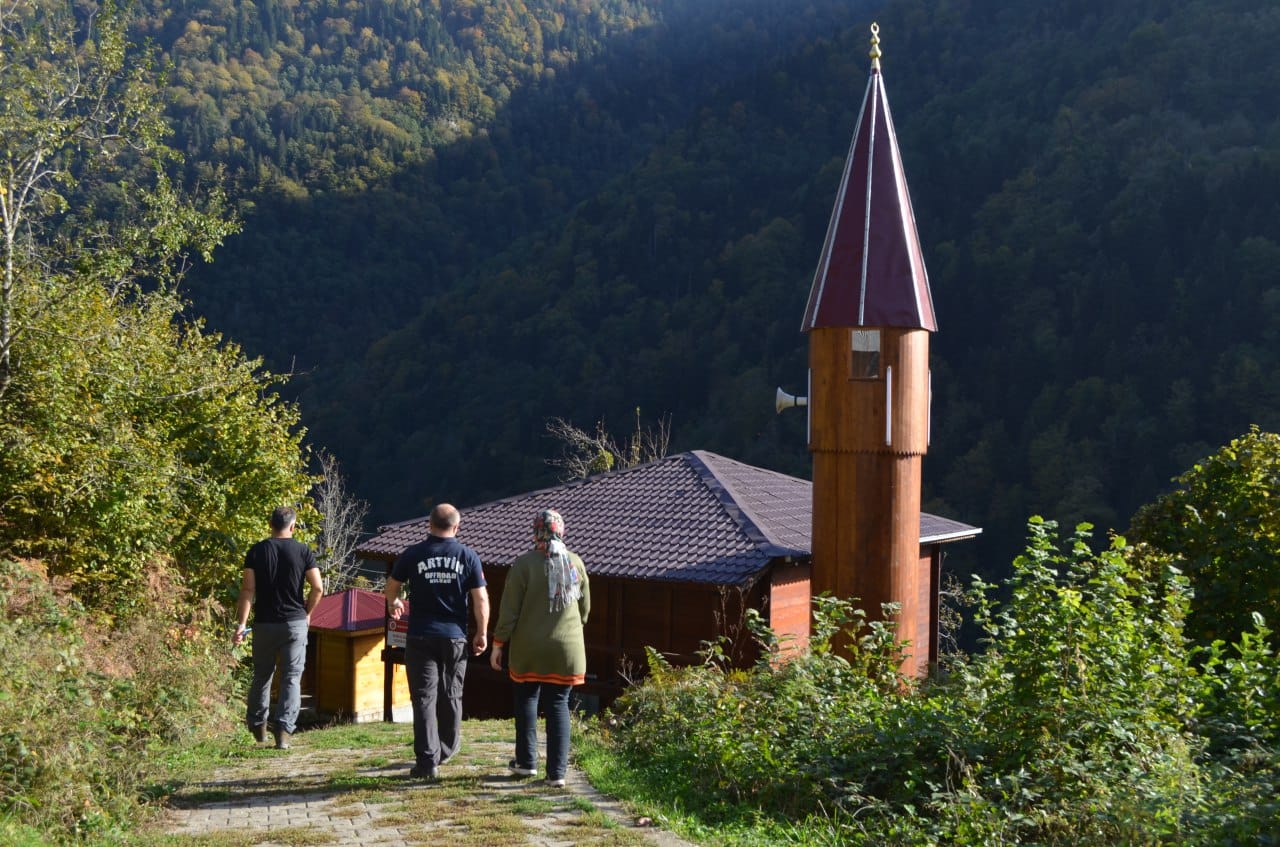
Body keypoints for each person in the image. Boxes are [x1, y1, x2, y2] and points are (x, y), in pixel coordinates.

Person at [385, 503, 489, 779]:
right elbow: (480, 599)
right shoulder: (468, 556)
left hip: (420, 635)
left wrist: (393, 602)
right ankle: (446, 749)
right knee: (452, 694)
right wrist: (481, 632)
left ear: (429, 525)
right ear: (456, 527)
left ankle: (427, 761)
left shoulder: (414, 554)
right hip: (454, 636)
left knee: (423, 698)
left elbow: (392, 585)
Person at [490, 508, 590, 788]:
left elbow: (509, 611)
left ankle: (526, 763)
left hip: (528, 649)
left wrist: (498, 643)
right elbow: (584, 610)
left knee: (526, 700)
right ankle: (556, 774)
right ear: (562, 531)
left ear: (536, 532)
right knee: (558, 704)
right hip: (567, 650)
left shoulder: (523, 564)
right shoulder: (575, 563)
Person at [233, 506, 324, 750]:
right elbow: (318, 588)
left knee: (262, 676)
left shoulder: (256, 551)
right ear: (293, 526)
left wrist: (241, 624)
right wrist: (307, 613)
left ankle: (257, 728)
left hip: (263, 623)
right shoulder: (304, 551)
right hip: (293, 623)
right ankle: (283, 733)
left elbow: (247, 591)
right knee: (291, 678)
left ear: (270, 524)